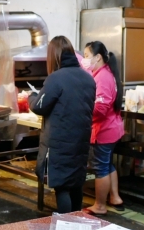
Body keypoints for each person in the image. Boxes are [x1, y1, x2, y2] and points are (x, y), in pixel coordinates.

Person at [29, 36, 96, 214]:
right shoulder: (88, 79)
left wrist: (31, 97)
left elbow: (39, 106)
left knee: (62, 186)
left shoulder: (56, 79)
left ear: (54, 56)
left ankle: (66, 226)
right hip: (81, 140)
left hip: (60, 142)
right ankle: (75, 224)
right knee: (75, 184)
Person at [82, 41, 125, 215]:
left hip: (104, 130)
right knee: (107, 164)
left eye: (87, 56)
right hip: (112, 128)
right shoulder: (103, 72)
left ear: (98, 57)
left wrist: (83, 111)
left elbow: (100, 108)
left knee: (100, 167)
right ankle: (115, 197)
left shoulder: (103, 77)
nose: (85, 60)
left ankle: (100, 205)